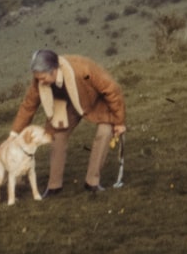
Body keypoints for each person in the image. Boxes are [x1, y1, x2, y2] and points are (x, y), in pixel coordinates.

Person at [10, 49, 126, 196]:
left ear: (53, 70)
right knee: (57, 136)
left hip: (95, 101)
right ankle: (54, 186)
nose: (40, 82)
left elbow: (112, 90)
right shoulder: (39, 79)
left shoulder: (83, 69)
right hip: (65, 104)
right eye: (37, 79)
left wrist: (119, 122)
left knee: (104, 132)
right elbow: (28, 105)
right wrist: (15, 134)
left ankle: (92, 182)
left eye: (43, 78)